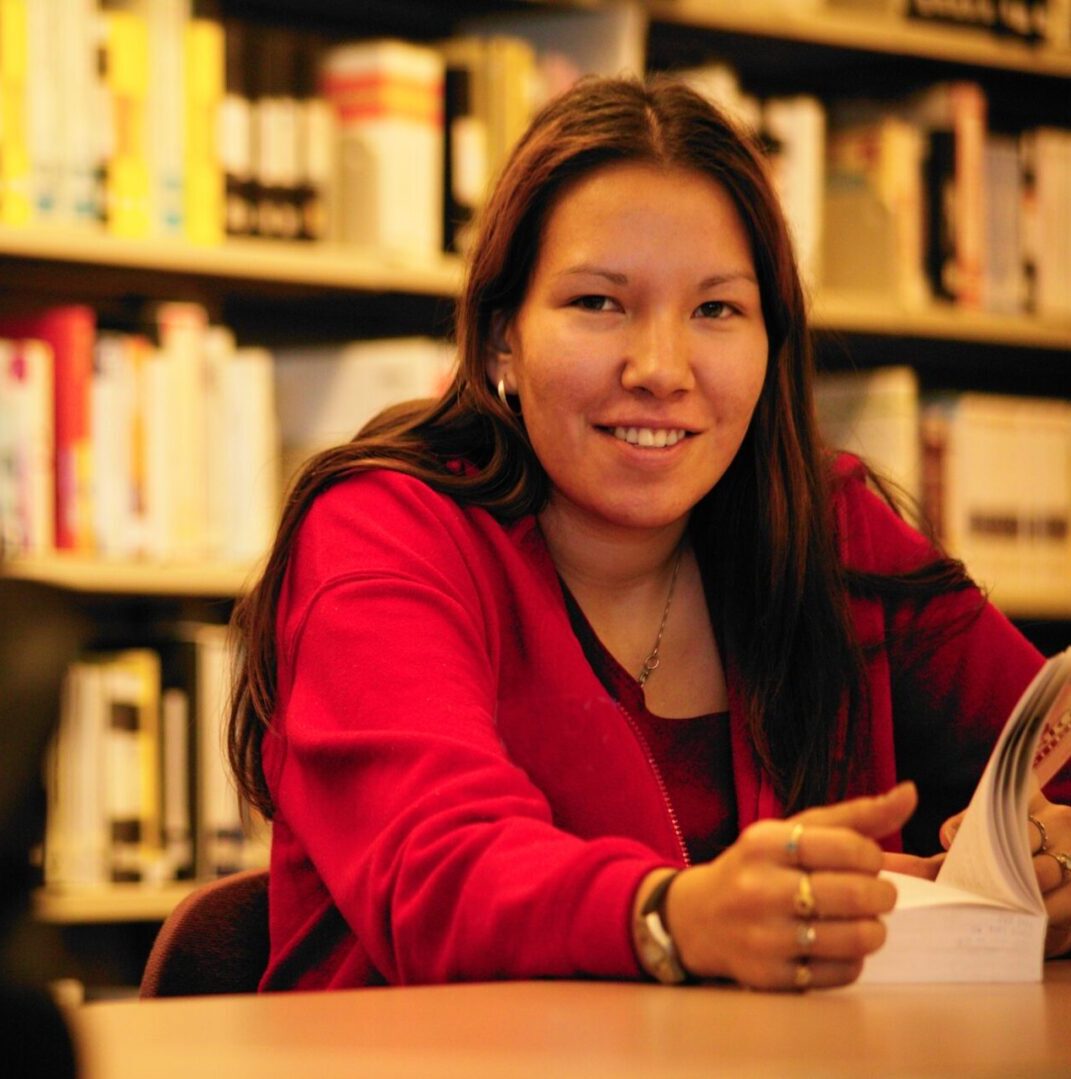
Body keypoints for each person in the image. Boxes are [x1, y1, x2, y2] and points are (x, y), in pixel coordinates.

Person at [227, 75, 1071, 992]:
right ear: (502, 333)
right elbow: (443, 871)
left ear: (769, 341)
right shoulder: (385, 530)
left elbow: (1049, 743)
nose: (660, 369)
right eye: (598, 303)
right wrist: (677, 918)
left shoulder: (825, 528)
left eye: (715, 309)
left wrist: (1053, 857)